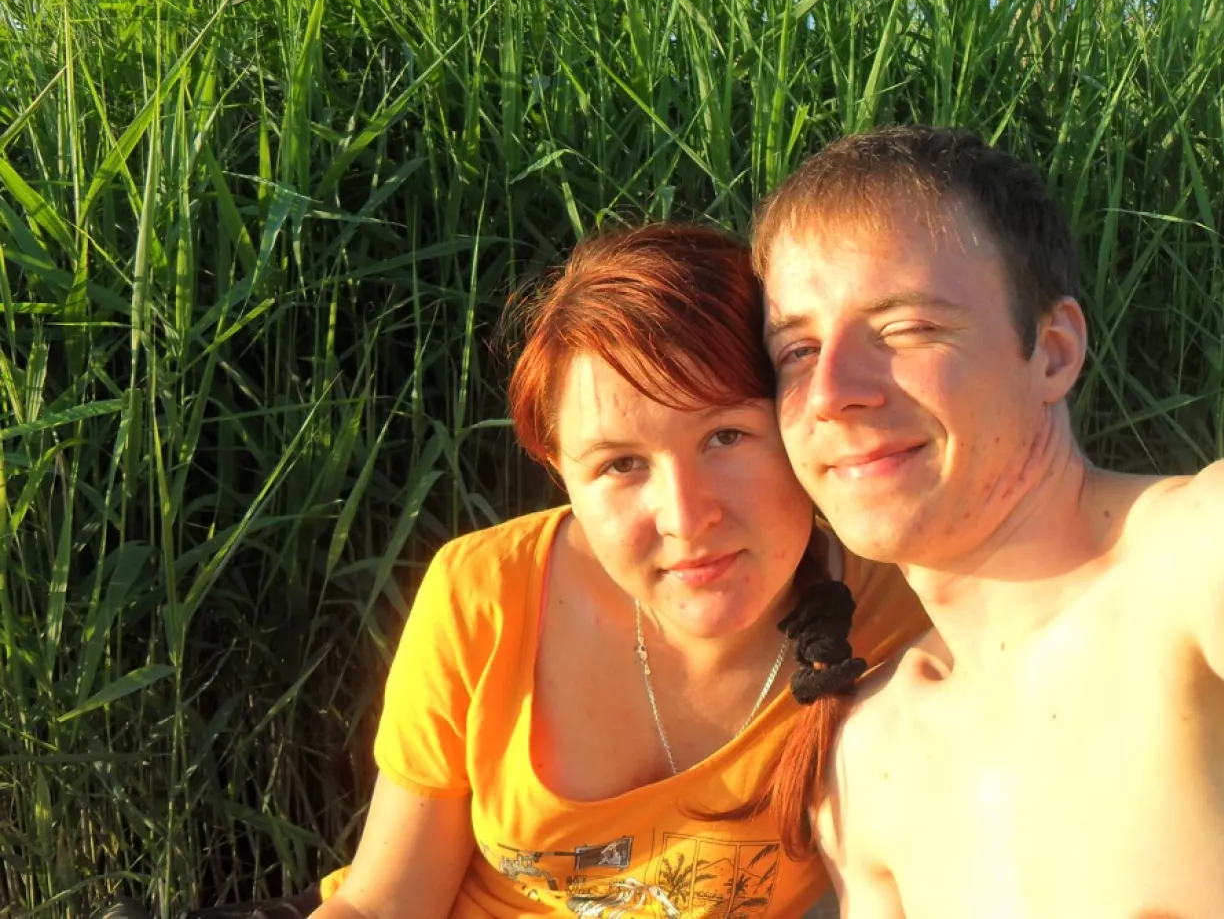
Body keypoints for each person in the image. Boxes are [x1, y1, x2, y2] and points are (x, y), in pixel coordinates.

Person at [749, 125, 1224, 918]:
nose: (830, 393)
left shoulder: (1213, 552)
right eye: (798, 352)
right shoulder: (867, 767)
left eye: (907, 328)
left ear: (1052, 352)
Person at [302, 224, 930, 919]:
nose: (685, 518)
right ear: (561, 474)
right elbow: (383, 903)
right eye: (620, 465)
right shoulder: (484, 594)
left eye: (725, 436)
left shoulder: (905, 621)